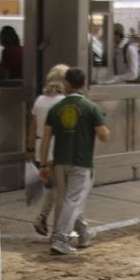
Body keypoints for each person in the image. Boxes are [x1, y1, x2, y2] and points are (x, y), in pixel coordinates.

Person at [39, 68, 111, 256]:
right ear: (84, 83)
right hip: (81, 161)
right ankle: (60, 238)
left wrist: (43, 164)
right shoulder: (91, 108)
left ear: (66, 84)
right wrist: (104, 128)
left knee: (68, 200)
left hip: (59, 162)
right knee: (73, 201)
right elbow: (103, 135)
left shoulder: (55, 109)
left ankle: (84, 233)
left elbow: (46, 139)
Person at [28, 64, 86, 242]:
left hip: (41, 148)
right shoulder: (64, 102)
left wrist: (30, 149)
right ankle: (63, 230)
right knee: (65, 192)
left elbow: (32, 128)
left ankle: (45, 219)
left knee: (56, 189)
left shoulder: (40, 100)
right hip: (57, 148)